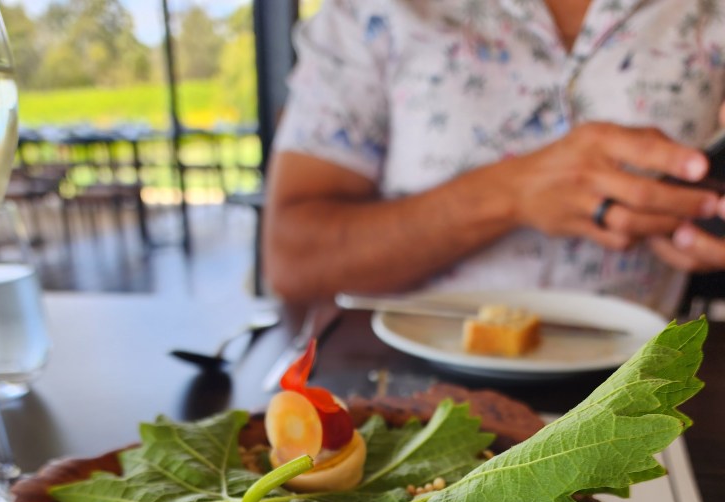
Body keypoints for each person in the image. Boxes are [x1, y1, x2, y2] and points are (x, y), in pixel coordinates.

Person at [262, 0, 725, 317]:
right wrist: (511, 193)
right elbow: (292, 258)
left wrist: (704, 224)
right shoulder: (370, 11)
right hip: (407, 389)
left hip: (642, 383)